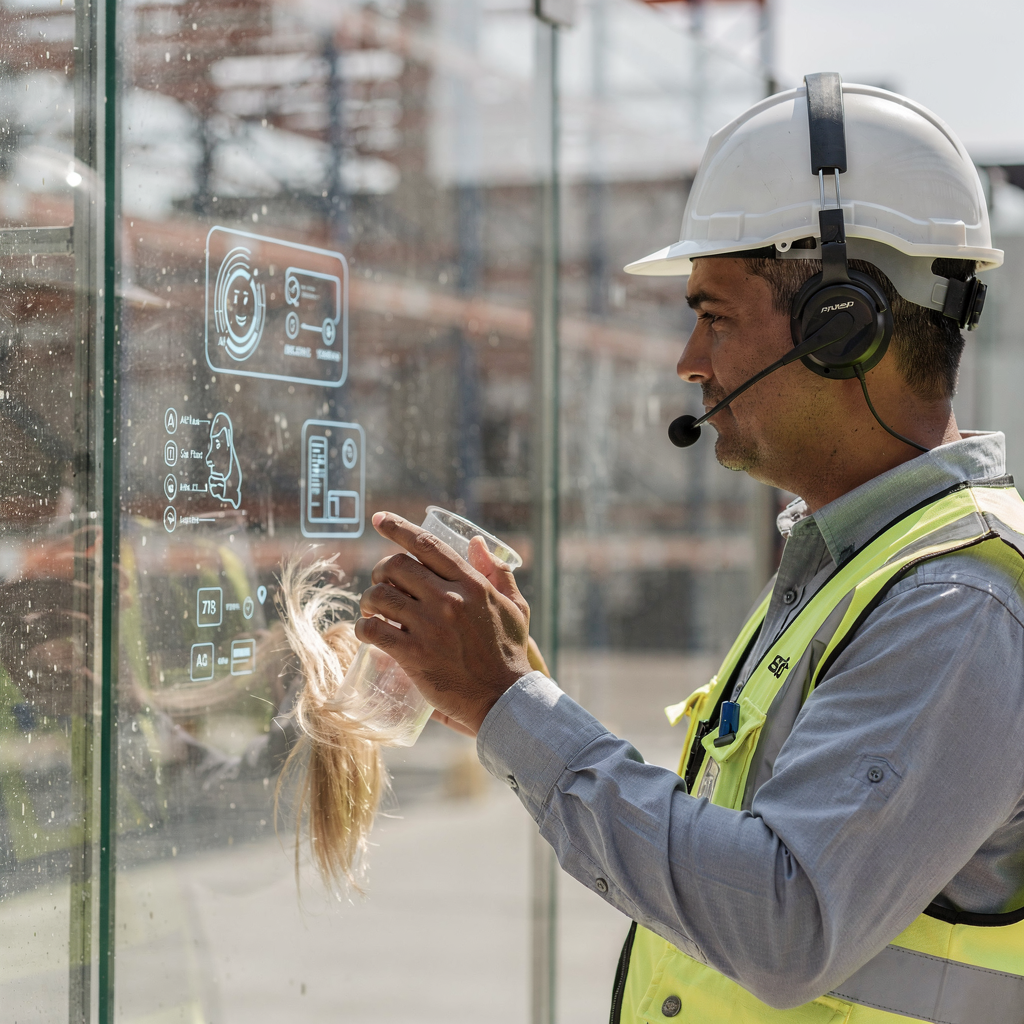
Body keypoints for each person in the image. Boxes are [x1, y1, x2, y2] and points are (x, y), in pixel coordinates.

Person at [353, 75, 1024, 1023]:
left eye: (715, 316)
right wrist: (502, 693)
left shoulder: (957, 604)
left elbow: (785, 926)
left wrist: (512, 704)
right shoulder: (854, 563)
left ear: (842, 326)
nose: (689, 362)